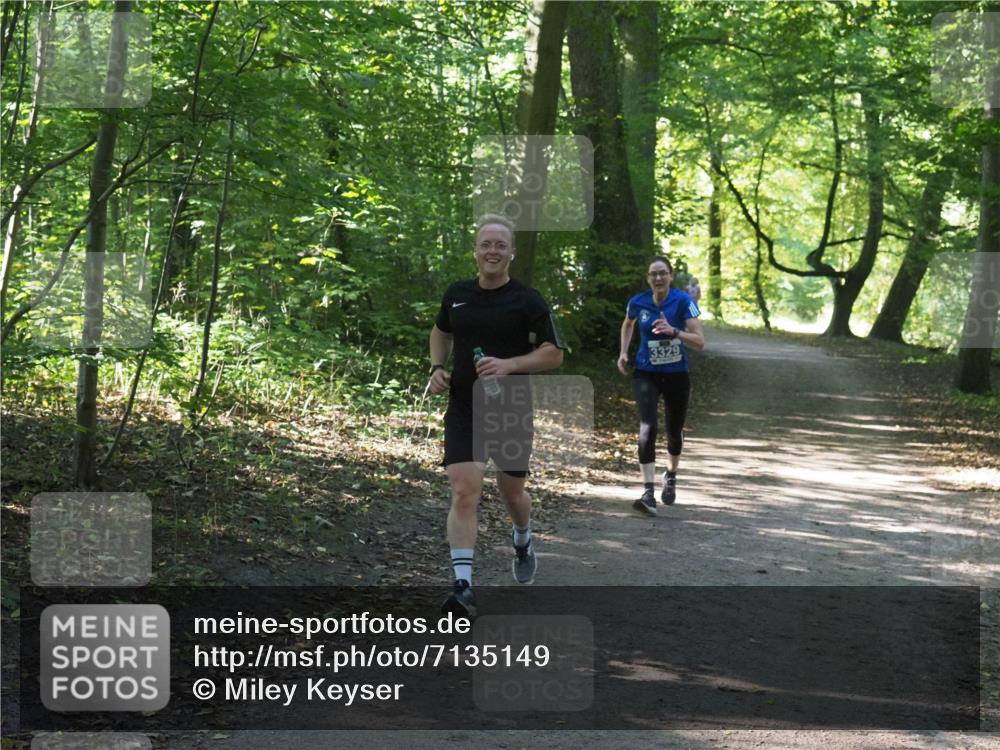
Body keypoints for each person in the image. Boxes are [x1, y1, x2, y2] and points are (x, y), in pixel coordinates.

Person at [428, 213, 565, 617]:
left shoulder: (528, 300)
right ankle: (463, 586)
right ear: (475, 250)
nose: (492, 251)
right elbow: (441, 331)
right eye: (486, 244)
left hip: (510, 408)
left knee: (512, 492)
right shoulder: (457, 293)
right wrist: (438, 367)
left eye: (500, 245)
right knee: (464, 489)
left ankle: (522, 537)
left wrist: (509, 365)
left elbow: (554, 353)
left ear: (511, 254)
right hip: (465, 405)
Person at [617, 257, 705, 516]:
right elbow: (628, 323)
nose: (658, 279)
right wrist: (623, 352)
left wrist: (674, 332)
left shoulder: (684, 302)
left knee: (674, 431)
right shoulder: (637, 301)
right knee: (648, 427)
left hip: (677, 374)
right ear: (647, 278)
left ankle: (671, 474)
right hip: (646, 373)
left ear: (671, 276)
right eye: (653, 274)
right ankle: (648, 491)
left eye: (663, 274)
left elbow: (700, 341)